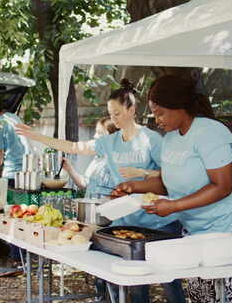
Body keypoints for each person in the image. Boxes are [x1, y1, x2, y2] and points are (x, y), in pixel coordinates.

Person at [16, 79, 185, 303]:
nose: (114, 119)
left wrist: (143, 173)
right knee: (136, 285)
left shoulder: (151, 140)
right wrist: (36, 136)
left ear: (132, 109)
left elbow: (173, 175)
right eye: (110, 114)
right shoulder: (109, 141)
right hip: (126, 224)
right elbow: (75, 147)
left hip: (159, 223)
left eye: (117, 113)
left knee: (170, 282)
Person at [113, 74, 232, 303]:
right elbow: (169, 183)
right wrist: (133, 187)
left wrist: (174, 206)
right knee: (199, 296)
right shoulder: (170, 138)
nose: (156, 119)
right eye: (153, 113)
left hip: (228, 227)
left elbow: (223, 186)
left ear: (179, 106)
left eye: (160, 112)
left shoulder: (211, 132)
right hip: (195, 230)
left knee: (222, 296)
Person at [0, 91, 33, 276]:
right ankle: (24, 257)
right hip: (27, 174)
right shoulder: (13, 118)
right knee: (25, 215)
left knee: (11, 216)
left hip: (11, 175)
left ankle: (17, 259)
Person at [61, 117, 118, 198]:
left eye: (99, 133)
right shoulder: (98, 158)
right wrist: (69, 168)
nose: (95, 136)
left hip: (105, 209)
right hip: (92, 208)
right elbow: (84, 184)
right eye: (96, 132)